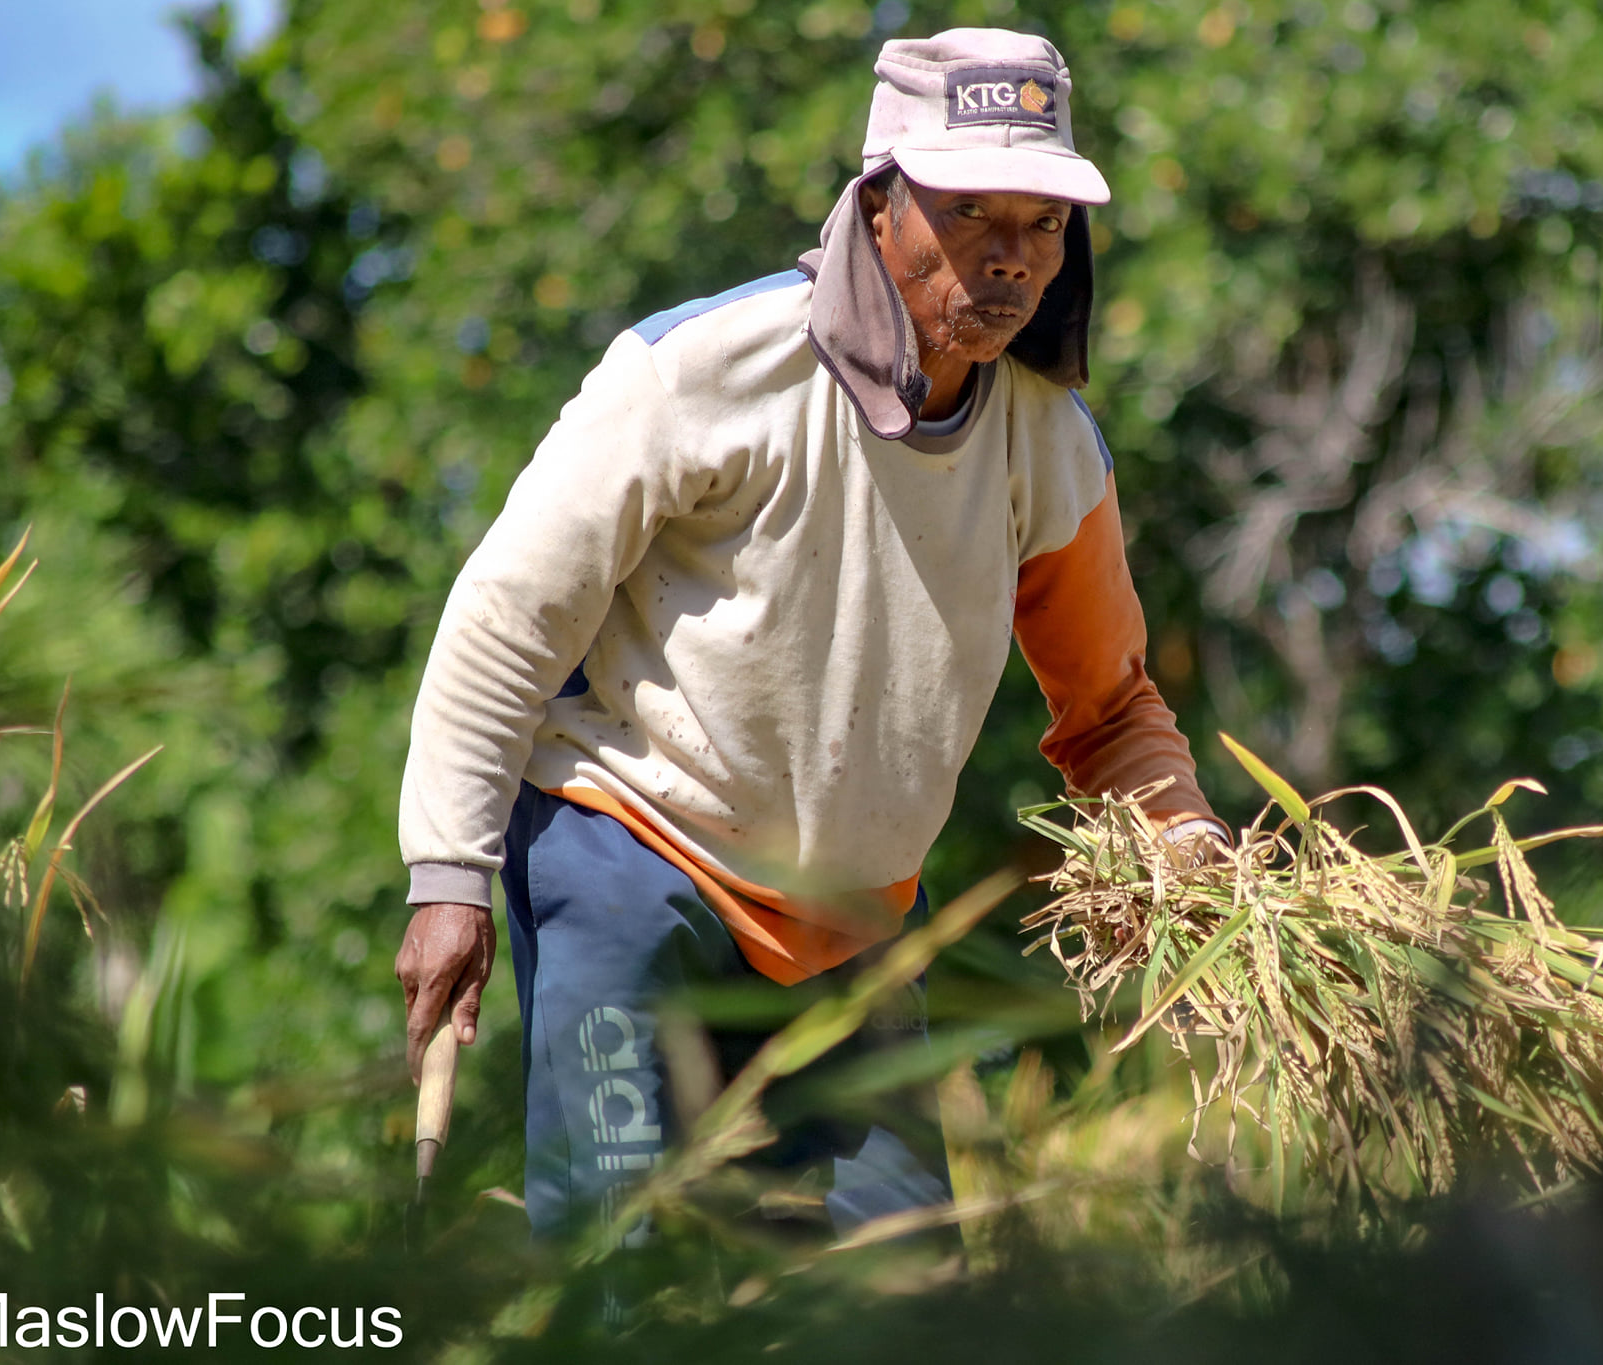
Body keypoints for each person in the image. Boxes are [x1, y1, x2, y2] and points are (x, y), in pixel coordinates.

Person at [392, 27, 1225, 1252]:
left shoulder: (1048, 447)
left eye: (1041, 225)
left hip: (853, 920)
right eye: (968, 215)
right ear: (880, 203)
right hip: (630, 855)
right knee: (616, 1269)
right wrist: (450, 876)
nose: (1008, 260)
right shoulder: (701, 374)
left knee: (904, 1294)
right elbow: (510, 619)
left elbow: (1107, 714)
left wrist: (1189, 840)